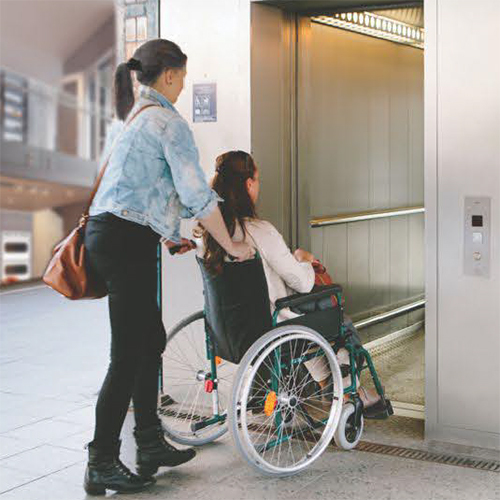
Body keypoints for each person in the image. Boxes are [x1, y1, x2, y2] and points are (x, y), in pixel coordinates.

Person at [83, 41, 254, 496]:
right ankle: (100, 459)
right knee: (128, 354)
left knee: (149, 341)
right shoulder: (167, 122)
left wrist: (164, 232)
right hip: (123, 241)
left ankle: (149, 442)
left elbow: (133, 192)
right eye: (183, 78)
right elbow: (197, 195)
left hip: (114, 236)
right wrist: (232, 246)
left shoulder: (133, 119)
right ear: (173, 76)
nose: (183, 86)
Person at [197, 150, 381, 406]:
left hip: (227, 330)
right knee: (335, 314)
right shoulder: (260, 231)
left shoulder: (208, 236)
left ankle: (330, 384)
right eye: (257, 180)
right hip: (272, 326)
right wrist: (304, 259)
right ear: (249, 184)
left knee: (309, 321)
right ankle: (350, 390)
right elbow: (303, 283)